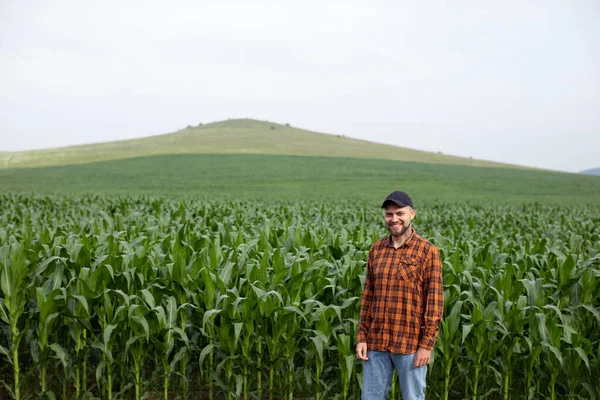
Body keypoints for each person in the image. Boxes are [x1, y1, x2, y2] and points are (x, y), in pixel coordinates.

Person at [356, 190, 443, 400]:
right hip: (376, 342)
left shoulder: (427, 252)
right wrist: (361, 337)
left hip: (410, 345)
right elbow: (368, 296)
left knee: (413, 397)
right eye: (389, 214)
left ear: (412, 214)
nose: (394, 219)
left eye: (399, 213)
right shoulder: (376, 250)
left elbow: (434, 302)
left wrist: (426, 345)